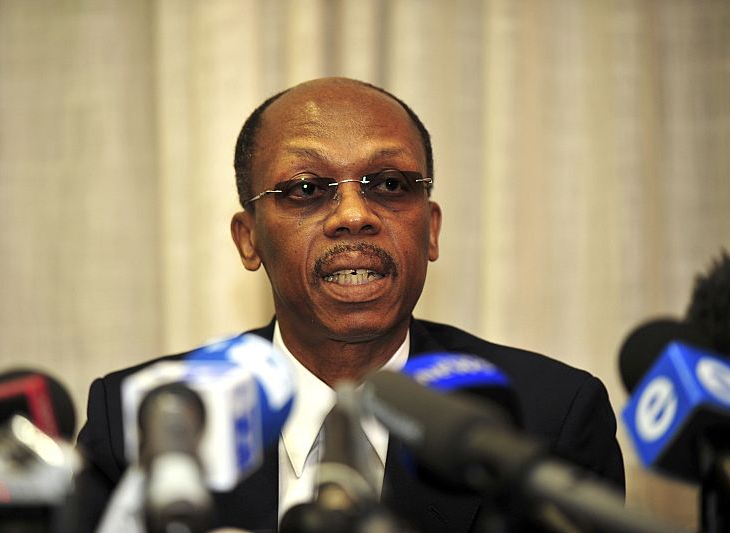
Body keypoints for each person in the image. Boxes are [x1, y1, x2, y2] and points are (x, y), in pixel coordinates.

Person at [75, 77, 625, 532]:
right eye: (307, 189)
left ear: (430, 231)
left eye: (388, 183)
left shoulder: (546, 417)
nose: (354, 215)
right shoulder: (145, 419)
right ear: (249, 240)